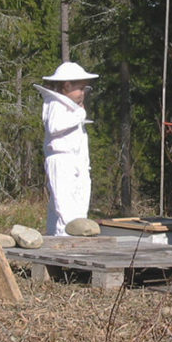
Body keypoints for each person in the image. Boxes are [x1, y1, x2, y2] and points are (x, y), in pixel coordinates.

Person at [34, 62, 99, 236]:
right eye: (80, 88)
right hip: (62, 161)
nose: (83, 93)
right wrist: (79, 114)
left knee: (77, 208)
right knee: (66, 210)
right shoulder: (55, 103)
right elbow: (54, 126)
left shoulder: (69, 107)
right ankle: (66, 248)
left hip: (75, 162)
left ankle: (64, 244)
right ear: (67, 85)